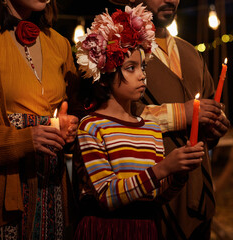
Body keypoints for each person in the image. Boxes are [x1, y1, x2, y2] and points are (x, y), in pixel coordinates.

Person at [72, 4, 205, 239]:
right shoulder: (92, 127)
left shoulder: (150, 128)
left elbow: (155, 196)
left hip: (144, 229)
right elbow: (107, 195)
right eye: (130, 68)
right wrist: (164, 167)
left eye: (142, 67)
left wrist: (179, 173)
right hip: (106, 230)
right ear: (104, 77)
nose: (142, 75)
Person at [107, 0, 231, 239]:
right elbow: (112, 114)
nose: (171, 0)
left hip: (197, 189)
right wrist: (182, 114)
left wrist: (215, 126)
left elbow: (208, 110)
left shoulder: (191, 53)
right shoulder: (119, 50)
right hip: (147, 190)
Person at [0, 0, 78, 238]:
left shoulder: (59, 43)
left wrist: (70, 128)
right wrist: (22, 139)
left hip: (51, 194)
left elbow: (74, 108)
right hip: (1, 199)